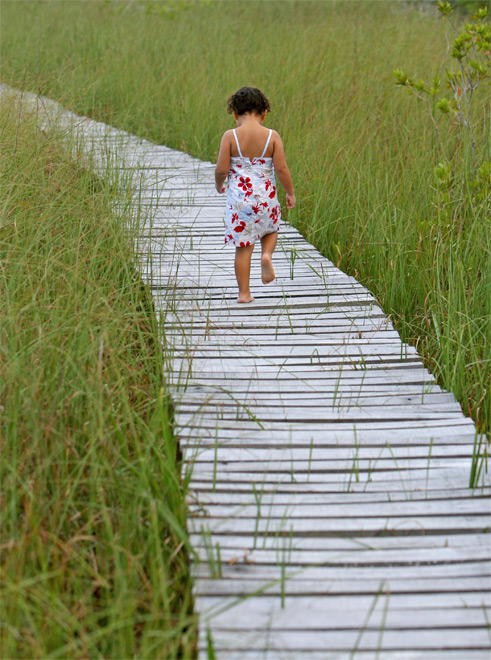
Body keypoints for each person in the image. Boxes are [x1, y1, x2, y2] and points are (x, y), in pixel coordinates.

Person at [215, 86, 296, 303]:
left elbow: (222, 169)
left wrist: (219, 184)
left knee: (243, 247)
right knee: (270, 229)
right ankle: (267, 255)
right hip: (266, 198)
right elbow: (282, 169)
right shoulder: (272, 136)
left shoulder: (230, 136)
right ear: (264, 113)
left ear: (235, 114)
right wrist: (290, 192)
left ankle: (244, 293)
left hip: (240, 203)